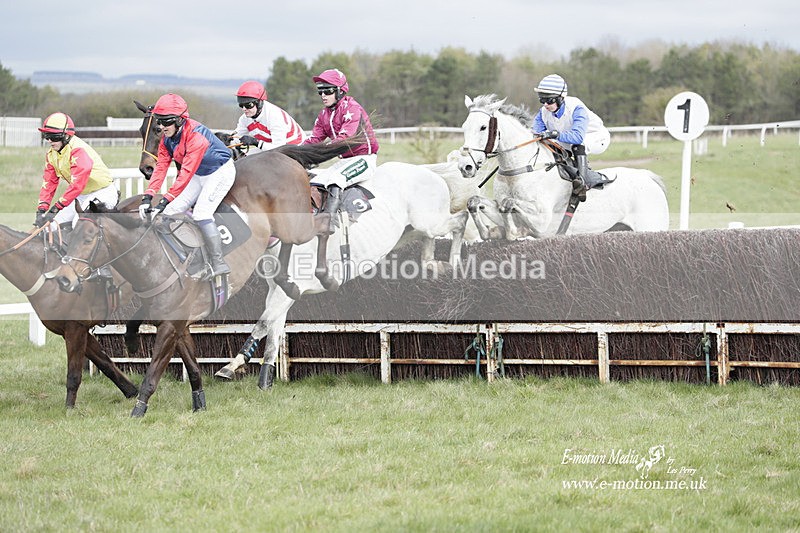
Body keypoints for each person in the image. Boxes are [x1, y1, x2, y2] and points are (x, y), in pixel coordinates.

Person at [138, 93, 235, 280]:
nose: (161, 127)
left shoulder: (196, 137)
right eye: (159, 121)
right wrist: (147, 196)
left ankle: (218, 263)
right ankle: (190, 256)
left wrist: (163, 201)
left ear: (180, 121)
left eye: (166, 122)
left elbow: (185, 175)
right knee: (170, 212)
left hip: (220, 172)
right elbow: (161, 167)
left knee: (201, 214)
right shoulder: (167, 138)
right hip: (199, 173)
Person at [303, 68, 379, 234]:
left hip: (364, 159)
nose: (323, 95)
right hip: (344, 161)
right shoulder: (324, 114)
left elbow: (345, 139)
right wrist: (297, 153)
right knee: (316, 181)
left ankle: (329, 221)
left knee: (336, 178)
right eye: (320, 92)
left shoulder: (352, 108)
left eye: (328, 91)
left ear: (340, 91)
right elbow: (314, 139)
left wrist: (317, 154)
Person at [532, 74, 611, 200]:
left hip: (596, 137)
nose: (545, 105)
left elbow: (577, 137)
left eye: (549, 100)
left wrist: (554, 134)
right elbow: (534, 133)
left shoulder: (576, 108)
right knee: (551, 146)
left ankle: (582, 183)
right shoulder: (543, 112)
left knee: (577, 145)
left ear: (561, 98)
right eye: (542, 100)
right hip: (568, 138)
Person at [35, 112, 118, 230]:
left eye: (53, 137)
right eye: (46, 136)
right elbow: (49, 183)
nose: (49, 141)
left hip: (102, 193)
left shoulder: (78, 150)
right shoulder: (51, 154)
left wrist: (55, 208)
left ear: (66, 136)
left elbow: (76, 185)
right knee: (51, 227)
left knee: (78, 225)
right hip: (81, 196)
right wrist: (42, 209)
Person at [233, 80, 306, 152]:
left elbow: (279, 149)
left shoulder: (274, 116)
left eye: (248, 105)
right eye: (241, 105)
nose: (244, 109)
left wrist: (256, 142)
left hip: (295, 149)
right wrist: (228, 139)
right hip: (272, 148)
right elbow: (236, 138)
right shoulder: (244, 119)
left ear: (260, 103)